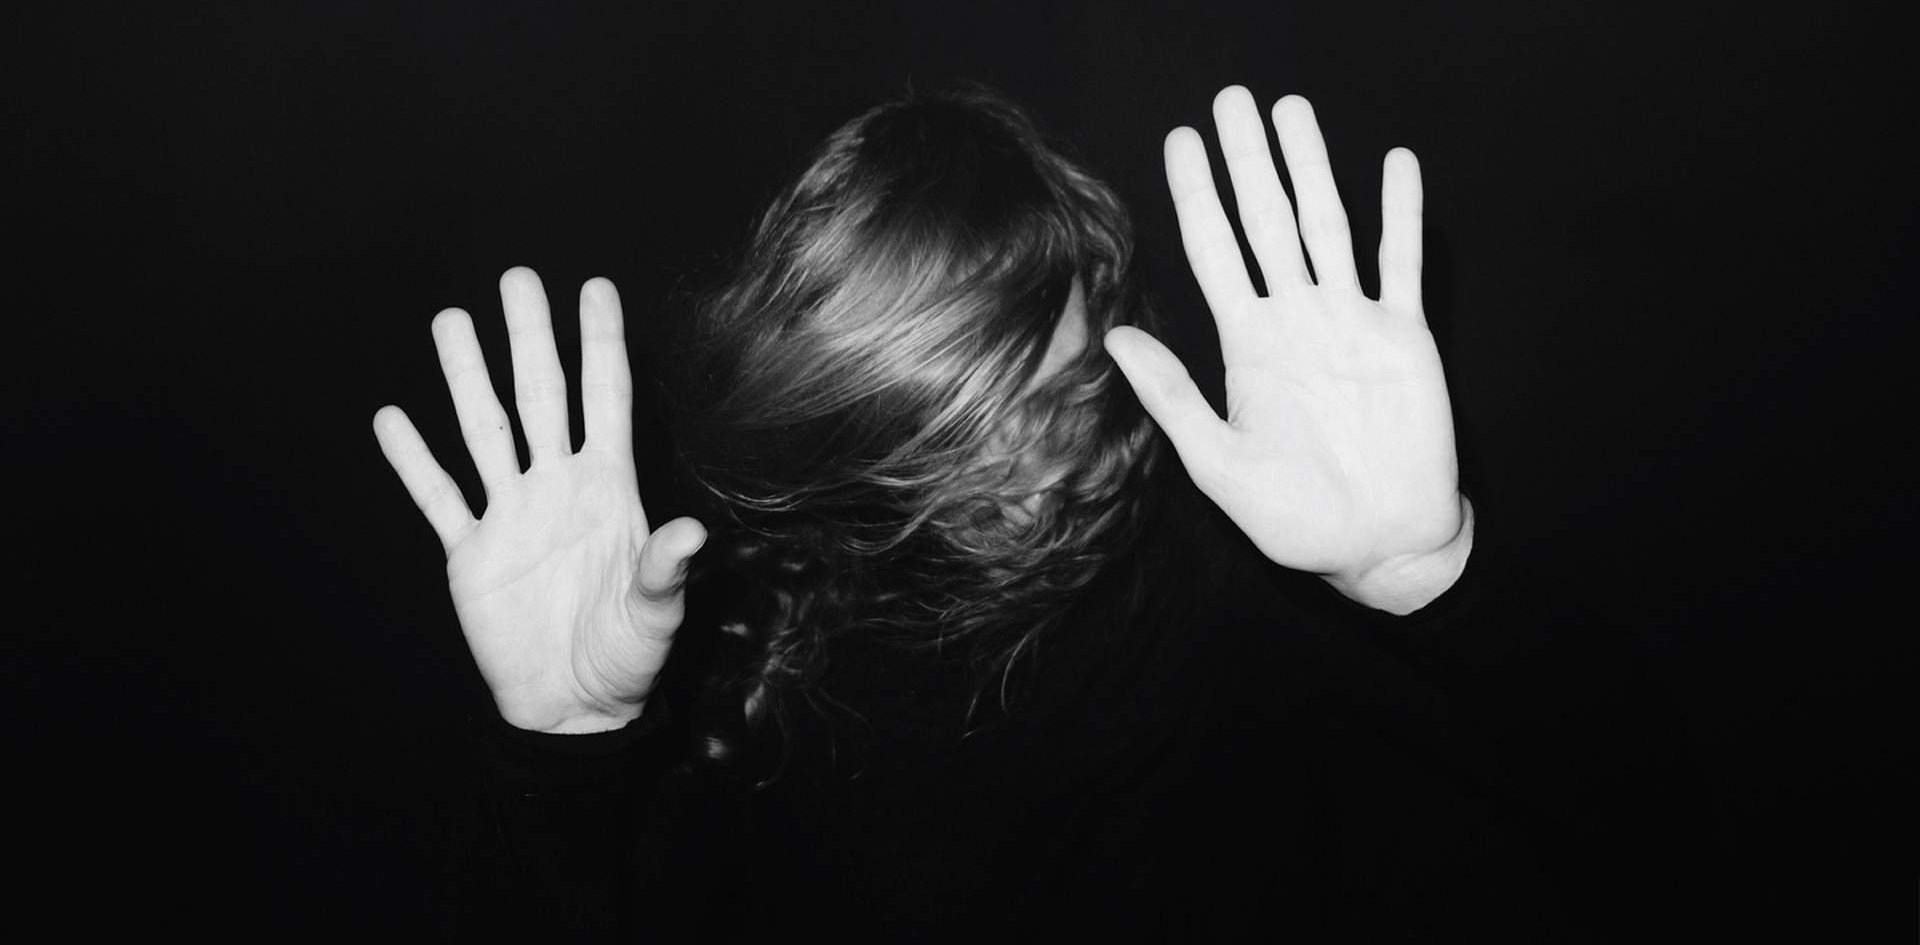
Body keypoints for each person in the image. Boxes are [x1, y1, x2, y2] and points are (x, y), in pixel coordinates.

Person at [374, 85, 1703, 939]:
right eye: (951, 429)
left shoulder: (1212, 560)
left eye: (1057, 397)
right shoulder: (728, 648)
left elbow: (1640, 805)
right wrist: (561, 757)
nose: (1023, 466)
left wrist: (1429, 572)